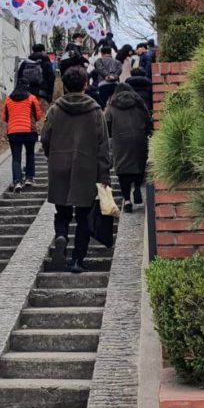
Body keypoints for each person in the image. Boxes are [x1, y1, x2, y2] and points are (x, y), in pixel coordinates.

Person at [41, 65, 111, 274]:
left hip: (59, 167)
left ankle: (61, 236)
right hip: (86, 169)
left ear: (64, 85)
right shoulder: (96, 111)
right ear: (85, 84)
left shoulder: (55, 110)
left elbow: (45, 138)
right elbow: (103, 147)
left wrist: (52, 156)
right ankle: (77, 260)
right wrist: (104, 175)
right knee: (84, 217)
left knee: (61, 212)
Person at [105, 83, 152, 212]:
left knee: (122, 170)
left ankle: (126, 200)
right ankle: (137, 187)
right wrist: (148, 131)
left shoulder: (112, 105)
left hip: (120, 141)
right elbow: (148, 120)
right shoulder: (139, 103)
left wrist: (112, 134)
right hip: (139, 138)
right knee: (139, 163)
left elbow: (106, 123)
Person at [2, 81, 43, 192]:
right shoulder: (32, 98)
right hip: (29, 131)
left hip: (13, 132)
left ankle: (17, 181)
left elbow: (4, 117)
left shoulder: (8, 100)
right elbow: (38, 116)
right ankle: (29, 178)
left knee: (16, 158)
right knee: (30, 154)